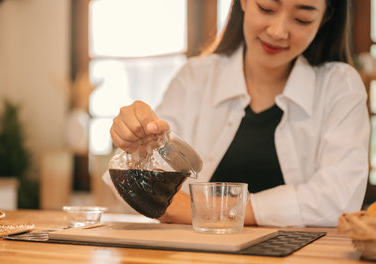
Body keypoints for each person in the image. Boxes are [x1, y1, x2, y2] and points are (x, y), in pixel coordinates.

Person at [108, 0, 370, 227]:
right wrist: (137, 145)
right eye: (266, 8)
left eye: (302, 19)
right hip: (196, 262)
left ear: (324, 18)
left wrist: (208, 211)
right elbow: (141, 187)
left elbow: (340, 199)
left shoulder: (339, 86)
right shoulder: (195, 79)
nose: (278, 31)